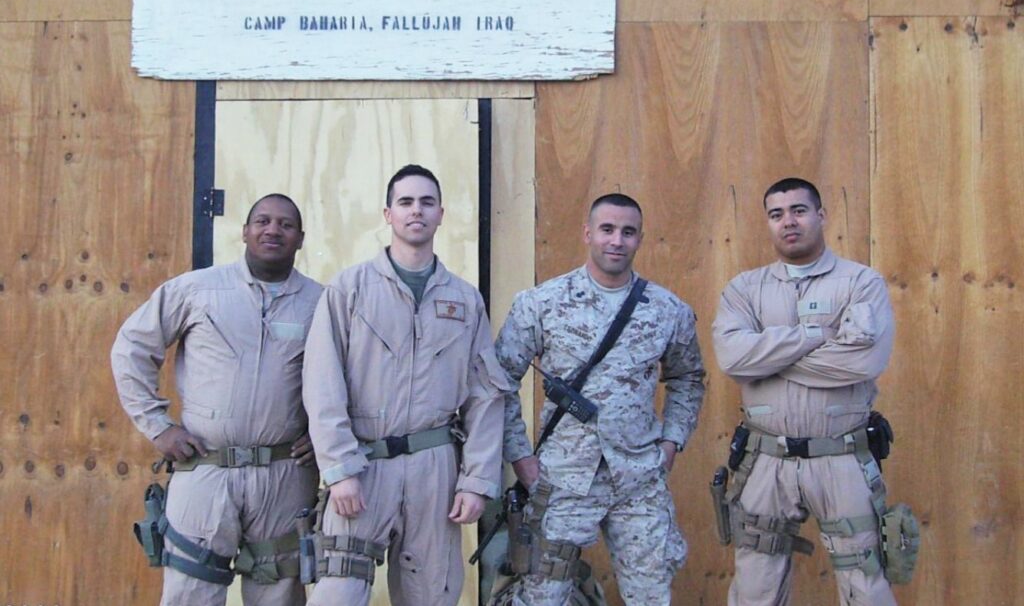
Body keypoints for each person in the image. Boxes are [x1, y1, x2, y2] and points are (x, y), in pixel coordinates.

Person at [302, 164, 508, 606]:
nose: (417, 211)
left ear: (441, 215)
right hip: (363, 465)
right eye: (406, 202)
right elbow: (322, 382)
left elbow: (485, 396)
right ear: (388, 213)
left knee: (431, 595)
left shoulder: (464, 299)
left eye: (427, 202)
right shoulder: (350, 288)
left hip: (435, 469)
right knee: (336, 593)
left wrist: (476, 480)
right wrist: (338, 469)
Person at [111, 194, 323, 606]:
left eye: (285, 224)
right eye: (262, 221)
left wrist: (325, 434)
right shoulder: (196, 290)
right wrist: (159, 426)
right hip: (205, 469)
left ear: (300, 239)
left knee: (279, 591)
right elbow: (131, 350)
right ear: (244, 231)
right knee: (190, 590)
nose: (272, 230)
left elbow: (356, 377)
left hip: (285, 474)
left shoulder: (323, 303)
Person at [494, 193, 706, 606]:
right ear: (587, 234)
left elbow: (688, 378)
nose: (617, 241)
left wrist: (670, 444)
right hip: (560, 479)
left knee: (651, 594)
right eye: (607, 229)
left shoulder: (667, 310)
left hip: (639, 478)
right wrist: (520, 458)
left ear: (640, 239)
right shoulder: (541, 304)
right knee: (543, 596)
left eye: (628, 232)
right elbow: (498, 383)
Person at [712, 177, 896, 606]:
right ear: (768, 223)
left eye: (798, 210)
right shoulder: (745, 289)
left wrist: (769, 354)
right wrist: (817, 335)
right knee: (756, 586)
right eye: (776, 215)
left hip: (842, 459)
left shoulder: (860, 283)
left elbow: (862, 361)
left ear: (821, 215)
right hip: (765, 461)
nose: (788, 222)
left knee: (865, 584)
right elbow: (733, 358)